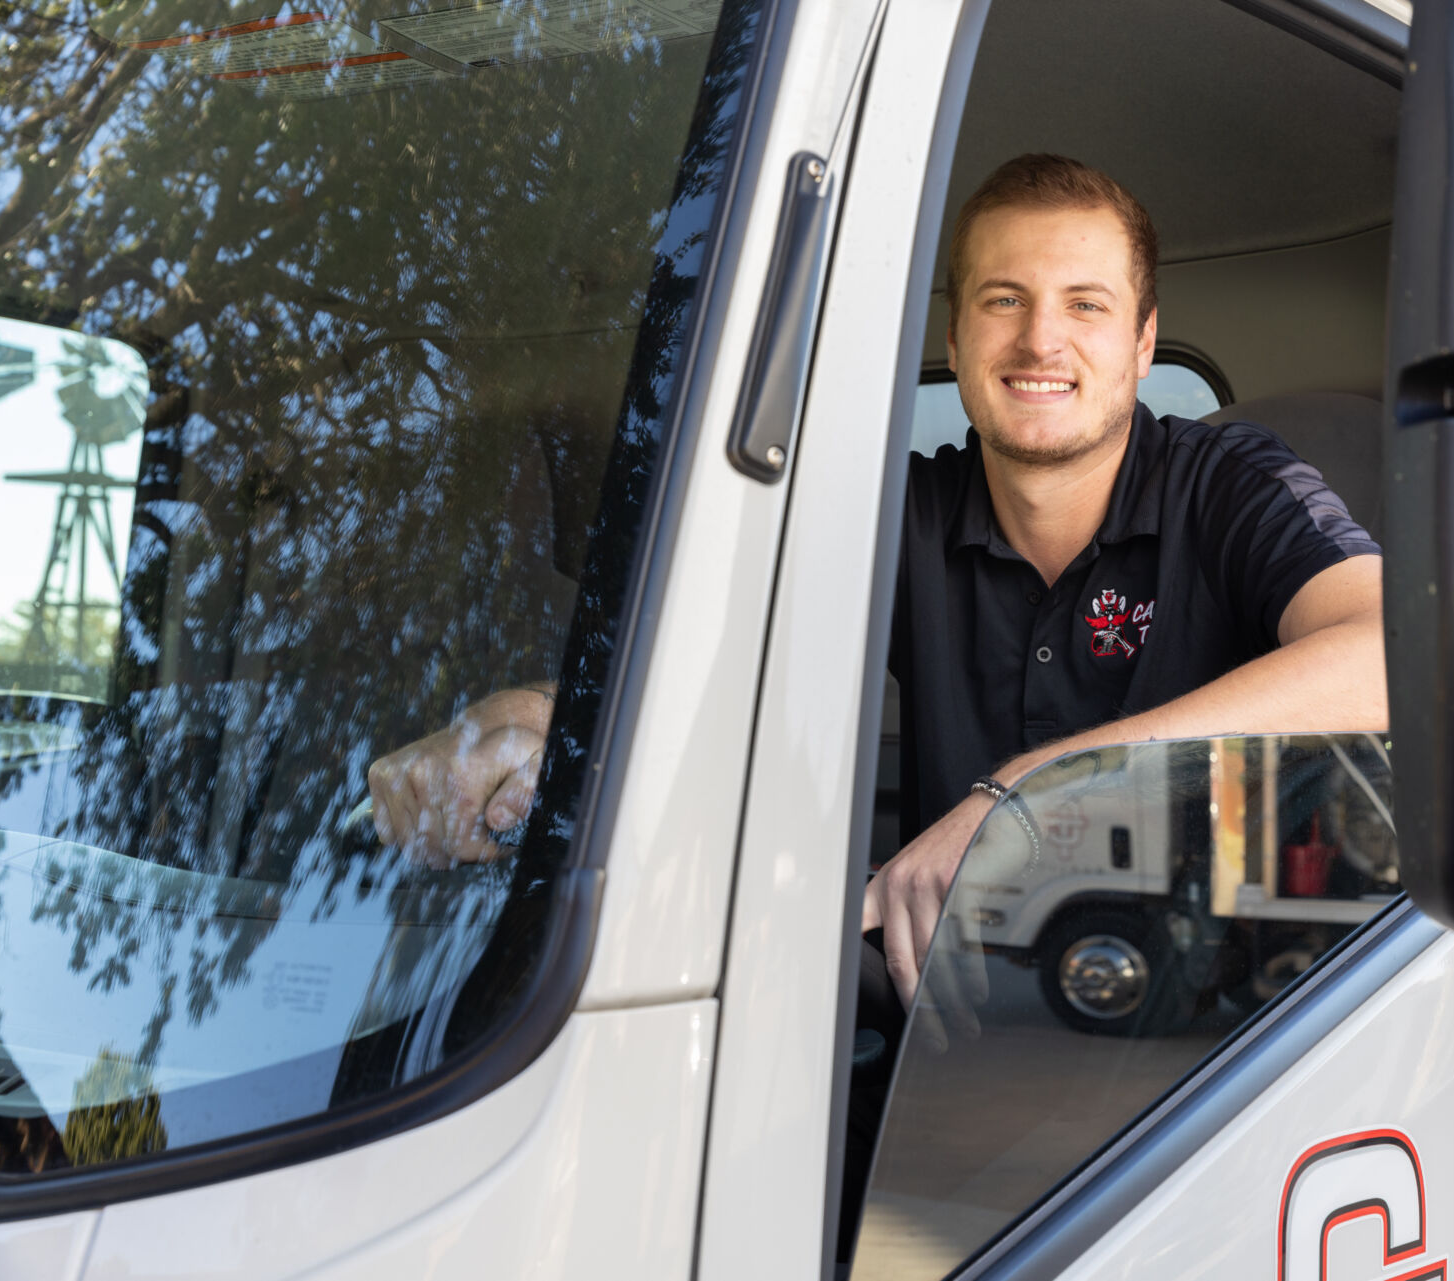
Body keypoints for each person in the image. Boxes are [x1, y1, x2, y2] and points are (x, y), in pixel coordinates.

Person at [368, 153, 1387, 1004]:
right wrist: (515, 724)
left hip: (1232, 1037)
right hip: (951, 1027)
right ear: (956, 338)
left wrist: (1037, 787)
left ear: (1143, 343)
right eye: (1005, 301)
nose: (1041, 339)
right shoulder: (900, 516)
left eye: (1086, 304)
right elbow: (689, 647)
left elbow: (1389, 657)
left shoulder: (1231, 487)